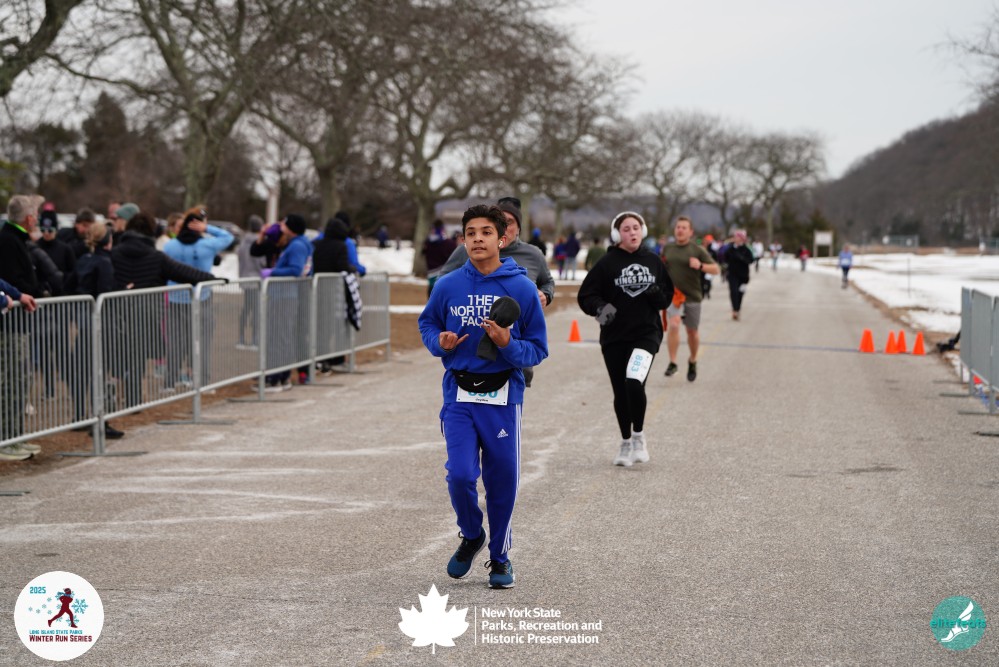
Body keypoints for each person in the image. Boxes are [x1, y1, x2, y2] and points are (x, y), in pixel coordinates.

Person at [418, 204, 548, 589]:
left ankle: (500, 556)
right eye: (471, 233)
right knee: (460, 475)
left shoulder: (521, 288)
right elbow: (428, 323)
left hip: (503, 396)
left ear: (502, 239)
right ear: (463, 240)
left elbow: (538, 349)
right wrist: (439, 343)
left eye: (486, 232)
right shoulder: (448, 285)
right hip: (459, 394)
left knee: (502, 480)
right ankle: (472, 534)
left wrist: (507, 343)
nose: (478, 239)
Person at [578, 212, 672, 467]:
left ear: (643, 231)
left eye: (636, 228)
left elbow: (666, 298)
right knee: (621, 392)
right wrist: (601, 309)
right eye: (627, 229)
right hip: (615, 337)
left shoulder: (653, 261)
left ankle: (639, 436)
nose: (632, 232)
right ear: (617, 234)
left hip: (646, 334)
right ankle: (625, 441)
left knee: (634, 380)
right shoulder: (606, 263)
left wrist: (656, 294)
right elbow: (586, 296)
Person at [437, 197, 554, 388]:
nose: (506, 227)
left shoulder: (533, 254)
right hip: (469, 358)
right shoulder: (466, 251)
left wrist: (545, 295)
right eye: (473, 233)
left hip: (516, 346)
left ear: (518, 228)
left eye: (510, 222)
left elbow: (547, 282)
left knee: (513, 385)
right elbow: (443, 284)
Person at [163, 206, 234, 389]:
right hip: (202, 297)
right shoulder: (207, 245)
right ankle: (202, 380)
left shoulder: (170, 246)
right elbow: (228, 237)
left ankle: (170, 381)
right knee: (203, 341)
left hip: (176, 298)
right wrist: (207, 228)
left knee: (176, 341)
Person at [0, 195, 44, 459]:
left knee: (21, 379)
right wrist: (22, 293)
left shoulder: (15, 239)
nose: (37, 219)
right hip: (9, 324)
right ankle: (8, 438)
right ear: (28, 218)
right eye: (35, 215)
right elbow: (9, 277)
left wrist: (22, 292)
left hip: (17, 321)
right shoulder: (9, 241)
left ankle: (16, 435)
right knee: (12, 379)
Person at [71, 221, 124, 439]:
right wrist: (123, 289)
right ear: (107, 241)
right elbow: (105, 290)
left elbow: (70, 284)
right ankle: (100, 420)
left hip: (83, 320)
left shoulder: (84, 259)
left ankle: (80, 416)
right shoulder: (104, 262)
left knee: (83, 370)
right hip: (100, 321)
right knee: (99, 370)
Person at [258, 214, 313, 392]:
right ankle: (281, 376)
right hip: (286, 295)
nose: (281, 225)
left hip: (284, 296)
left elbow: (296, 270)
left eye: (285, 224)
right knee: (282, 336)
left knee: (278, 337)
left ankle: (277, 378)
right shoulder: (299, 243)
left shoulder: (297, 245)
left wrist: (272, 272)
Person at [661, 216, 719, 382]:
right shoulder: (668, 248)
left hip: (693, 296)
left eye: (684, 227)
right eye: (678, 227)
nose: (680, 230)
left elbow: (716, 269)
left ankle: (692, 360)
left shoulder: (697, 250)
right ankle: (673, 362)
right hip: (674, 295)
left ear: (690, 232)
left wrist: (700, 265)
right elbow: (661, 267)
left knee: (692, 332)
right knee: (674, 324)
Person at [237, 215, 267, 348]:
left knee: (246, 309)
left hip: (245, 279)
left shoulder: (243, 242)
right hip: (256, 280)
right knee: (256, 311)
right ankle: (255, 340)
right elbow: (262, 262)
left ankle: (241, 338)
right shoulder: (259, 243)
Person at [723, 230, 754, 321]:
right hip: (732, 274)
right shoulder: (730, 249)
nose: (736, 239)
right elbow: (725, 258)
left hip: (743, 275)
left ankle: (738, 308)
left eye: (738, 237)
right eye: (735, 237)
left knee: (740, 293)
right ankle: (734, 310)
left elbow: (751, 260)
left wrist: (741, 258)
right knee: (733, 292)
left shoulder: (746, 249)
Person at [422, 219, 457, 297]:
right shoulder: (449, 243)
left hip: (436, 273)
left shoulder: (428, 242)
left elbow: (423, 253)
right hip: (442, 274)